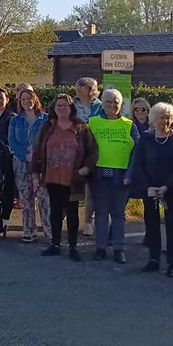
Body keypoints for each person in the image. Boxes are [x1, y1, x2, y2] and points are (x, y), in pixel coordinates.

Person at [130, 102, 173, 277]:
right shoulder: (146, 139)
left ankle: (172, 262)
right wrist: (148, 187)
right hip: (150, 189)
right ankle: (153, 259)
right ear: (154, 118)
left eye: (168, 118)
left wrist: (166, 187)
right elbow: (138, 164)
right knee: (152, 225)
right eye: (161, 117)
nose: (164, 121)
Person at [31, 94, 98, 261]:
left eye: (65, 106)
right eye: (58, 105)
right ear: (54, 108)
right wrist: (35, 173)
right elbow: (38, 150)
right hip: (52, 177)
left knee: (72, 213)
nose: (61, 108)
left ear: (71, 108)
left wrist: (86, 168)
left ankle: (73, 247)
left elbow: (93, 151)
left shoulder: (81, 127)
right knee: (55, 212)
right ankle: (55, 244)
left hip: (72, 178)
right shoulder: (47, 127)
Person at [88, 88, 139, 263]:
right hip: (99, 175)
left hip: (121, 176)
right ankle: (100, 247)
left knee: (118, 214)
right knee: (101, 213)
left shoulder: (129, 125)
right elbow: (86, 149)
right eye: (108, 101)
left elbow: (137, 153)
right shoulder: (92, 123)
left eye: (115, 102)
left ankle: (119, 248)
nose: (112, 105)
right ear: (102, 103)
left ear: (121, 104)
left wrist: (130, 173)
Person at [9, 86, 50, 243]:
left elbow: (49, 139)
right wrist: (25, 156)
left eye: (29, 98)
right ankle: (28, 230)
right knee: (26, 199)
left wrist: (38, 156)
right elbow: (12, 141)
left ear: (35, 100)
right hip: (21, 162)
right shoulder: (15, 120)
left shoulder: (45, 119)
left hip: (41, 163)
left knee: (44, 197)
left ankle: (48, 229)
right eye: (23, 99)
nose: (27, 101)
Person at [73, 77, 103, 238]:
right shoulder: (72, 104)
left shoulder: (99, 106)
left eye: (82, 86)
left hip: (93, 150)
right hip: (75, 149)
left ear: (91, 89)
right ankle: (67, 217)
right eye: (77, 86)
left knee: (91, 190)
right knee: (71, 186)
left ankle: (88, 222)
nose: (78, 89)